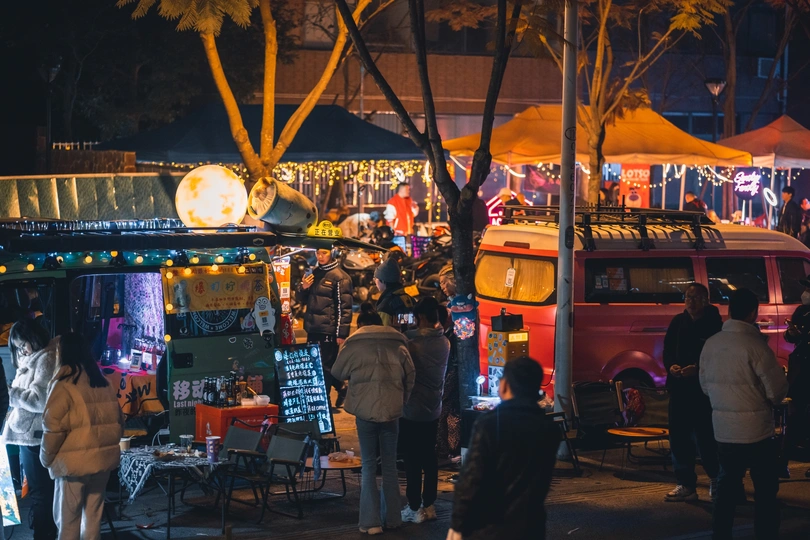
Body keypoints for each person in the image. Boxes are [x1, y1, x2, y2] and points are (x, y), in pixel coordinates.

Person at [699, 289, 789, 540]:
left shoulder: (711, 343)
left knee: (726, 488)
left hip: (725, 430)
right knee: (765, 491)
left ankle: (721, 534)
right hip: (757, 431)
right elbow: (777, 391)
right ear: (753, 313)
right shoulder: (756, 346)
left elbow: (705, 386)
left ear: (729, 311)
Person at [447, 357, 559, 540]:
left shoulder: (489, 424)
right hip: (531, 524)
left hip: (490, 524)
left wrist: (458, 523)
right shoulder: (549, 429)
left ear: (505, 386)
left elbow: (471, 479)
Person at [332, 304, 415, 535]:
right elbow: (411, 375)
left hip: (364, 412)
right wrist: (403, 400)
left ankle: (371, 523)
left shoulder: (354, 343)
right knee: (389, 465)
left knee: (368, 465)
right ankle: (393, 519)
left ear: (360, 326)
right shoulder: (398, 343)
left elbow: (337, 373)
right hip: (392, 412)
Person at [40, 332, 124, 540]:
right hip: (102, 462)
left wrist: (46, 458)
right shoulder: (103, 382)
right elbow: (120, 423)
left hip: (73, 465)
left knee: (68, 521)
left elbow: (53, 429)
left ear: (63, 353)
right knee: (93, 518)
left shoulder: (63, 385)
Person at [662, 283, 722, 502]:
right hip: (679, 388)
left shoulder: (714, 323)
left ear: (706, 300)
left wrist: (698, 368)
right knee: (678, 437)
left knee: (706, 437)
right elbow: (667, 350)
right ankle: (685, 483)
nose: (690, 301)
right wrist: (671, 367)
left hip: (703, 390)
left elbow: (717, 355)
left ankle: (716, 478)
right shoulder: (678, 322)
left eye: (695, 297)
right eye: (688, 297)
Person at [4, 319, 59, 540]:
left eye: (23, 344)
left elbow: (39, 399)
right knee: (39, 491)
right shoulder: (33, 357)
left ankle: (43, 534)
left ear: (33, 338)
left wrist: (11, 393)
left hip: (34, 436)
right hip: (27, 433)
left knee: (40, 493)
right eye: (18, 347)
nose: (22, 350)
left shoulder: (45, 358)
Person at [401, 298, 451, 524]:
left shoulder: (411, 345)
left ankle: (413, 506)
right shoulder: (445, 343)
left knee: (412, 458)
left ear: (420, 317)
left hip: (412, 409)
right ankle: (429, 504)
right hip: (433, 409)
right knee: (429, 457)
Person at [297, 248, 354, 411]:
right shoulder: (314, 273)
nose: (320, 256)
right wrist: (304, 287)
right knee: (317, 366)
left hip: (328, 330)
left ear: (332, 253)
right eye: (318, 253)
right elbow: (301, 299)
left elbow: (345, 307)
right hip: (313, 328)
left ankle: (325, 401)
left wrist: (340, 333)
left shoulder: (340, 277)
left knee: (324, 367)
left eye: (324, 253)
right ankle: (341, 387)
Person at [783, 274, 810, 478]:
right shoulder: (801, 311)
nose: (805, 293)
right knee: (793, 414)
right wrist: (791, 333)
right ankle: (782, 462)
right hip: (800, 368)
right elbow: (789, 336)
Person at [374, 257, 415, 328]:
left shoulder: (385, 306)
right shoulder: (410, 300)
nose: (375, 282)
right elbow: (410, 323)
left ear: (383, 280)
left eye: (376, 278)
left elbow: (383, 333)